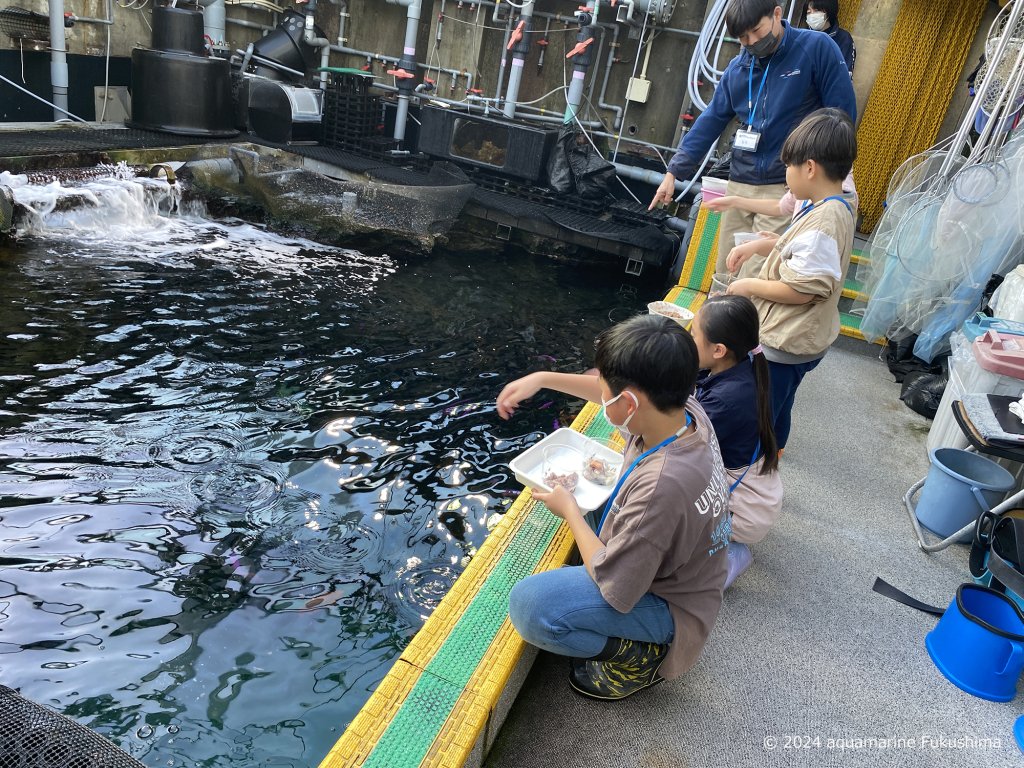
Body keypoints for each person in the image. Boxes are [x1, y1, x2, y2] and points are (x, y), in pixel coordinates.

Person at [496, 314, 730, 701]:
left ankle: (640, 659)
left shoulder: (662, 487)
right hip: (688, 569)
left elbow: (612, 582)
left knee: (530, 606)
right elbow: (616, 395)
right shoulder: (684, 412)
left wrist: (569, 510)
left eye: (606, 391)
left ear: (629, 403)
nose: (601, 395)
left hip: (673, 605)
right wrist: (541, 378)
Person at [648, 0, 856, 276]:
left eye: (757, 31)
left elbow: (840, 114)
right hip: (741, 179)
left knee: (760, 272)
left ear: (777, 14)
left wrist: (823, 174)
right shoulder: (738, 68)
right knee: (728, 267)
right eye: (743, 38)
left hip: (787, 183)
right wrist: (674, 172)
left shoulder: (816, 48)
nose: (752, 42)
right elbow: (712, 119)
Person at [726, 107, 857, 452]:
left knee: (761, 414)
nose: (786, 174)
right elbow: (804, 255)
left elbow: (800, 290)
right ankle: (775, 454)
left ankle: (754, 475)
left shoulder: (824, 220)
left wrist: (746, 286)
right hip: (802, 340)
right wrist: (762, 245)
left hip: (787, 341)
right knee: (779, 407)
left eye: (788, 166)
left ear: (810, 168)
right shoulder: (830, 205)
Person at [691, 294, 781, 587]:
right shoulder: (740, 367)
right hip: (756, 494)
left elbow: (676, 443)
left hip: (745, 511)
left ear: (718, 349)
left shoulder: (727, 400)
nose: (688, 338)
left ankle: (727, 553)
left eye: (693, 334)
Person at [705, 171, 858, 275]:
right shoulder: (813, 190)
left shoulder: (828, 214)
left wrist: (750, 286)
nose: (785, 177)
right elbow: (781, 206)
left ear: (810, 168)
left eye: (789, 166)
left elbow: (803, 277)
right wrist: (735, 201)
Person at [805, 0, 856, 75]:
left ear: (829, 11)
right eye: (808, 12)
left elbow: (845, 74)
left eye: (817, 11)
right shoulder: (803, 37)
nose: (812, 15)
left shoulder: (843, 38)